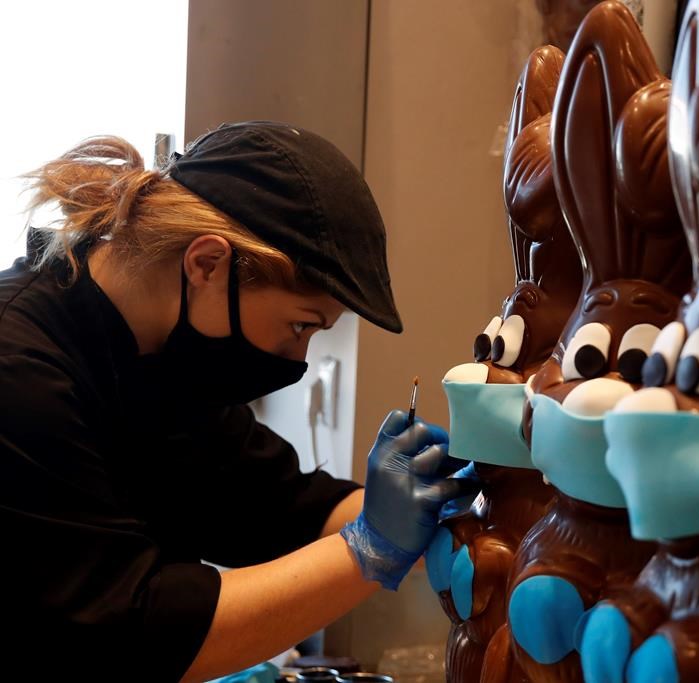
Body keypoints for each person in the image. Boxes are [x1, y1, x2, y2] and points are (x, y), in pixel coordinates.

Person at [0, 122, 476, 682]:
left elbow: (282, 504)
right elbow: (131, 633)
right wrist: (370, 548)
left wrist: (439, 508)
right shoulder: (19, 374)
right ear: (207, 264)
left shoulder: (164, 368)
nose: (297, 357)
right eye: (300, 325)